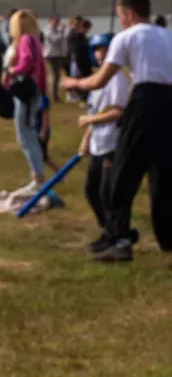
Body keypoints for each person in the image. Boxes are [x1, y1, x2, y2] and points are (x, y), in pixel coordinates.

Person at [63, 0, 172, 261]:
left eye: (121, 15)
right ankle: (168, 238)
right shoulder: (166, 35)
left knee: (124, 172)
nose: (121, 21)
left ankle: (118, 238)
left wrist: (74, 84)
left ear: (129, 13)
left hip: (145, 99)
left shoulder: (127, 36)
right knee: (163, 175)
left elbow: (100, 80)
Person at [77, 33, 130, 253]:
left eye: (105, 49)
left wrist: (89, 120)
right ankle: (108, 231)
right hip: (98, 144)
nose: (100, 54)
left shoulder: (117, 80)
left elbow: (117, 112)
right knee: (91, 190)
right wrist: (86, 139)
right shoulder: (97, 79)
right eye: (97, 50)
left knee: (109, 193)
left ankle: (119, 237)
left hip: (112, 144)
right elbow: (95, 112)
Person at [4, 10, 49, 190]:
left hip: (26, 94)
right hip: (34, 92)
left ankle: (38, 178)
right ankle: (38, 176)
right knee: (27, 134)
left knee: (26, 136)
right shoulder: (35, 41)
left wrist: (12, 71)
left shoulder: (25, 40)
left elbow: (27, 63)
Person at [66, 16, 94, 103]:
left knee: (78, 76)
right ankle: (74, 94)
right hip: (76, 58)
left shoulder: (78, 34)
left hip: (78, 58)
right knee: (76, 76)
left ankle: (79, 94)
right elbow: (75, 48)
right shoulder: (74, 33)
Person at [43, 14, 70, 102]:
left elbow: (63, 40)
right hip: (50, 55)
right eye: (55, 21)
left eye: (58, 21)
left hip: (58, 55)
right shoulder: (47, 30)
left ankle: (56, 95)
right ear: (50, 21)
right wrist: (62, 31)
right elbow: (55, 39)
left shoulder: (58, 30)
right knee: (53, 76)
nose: (57, 23)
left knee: (57, 76)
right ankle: (53, 96)